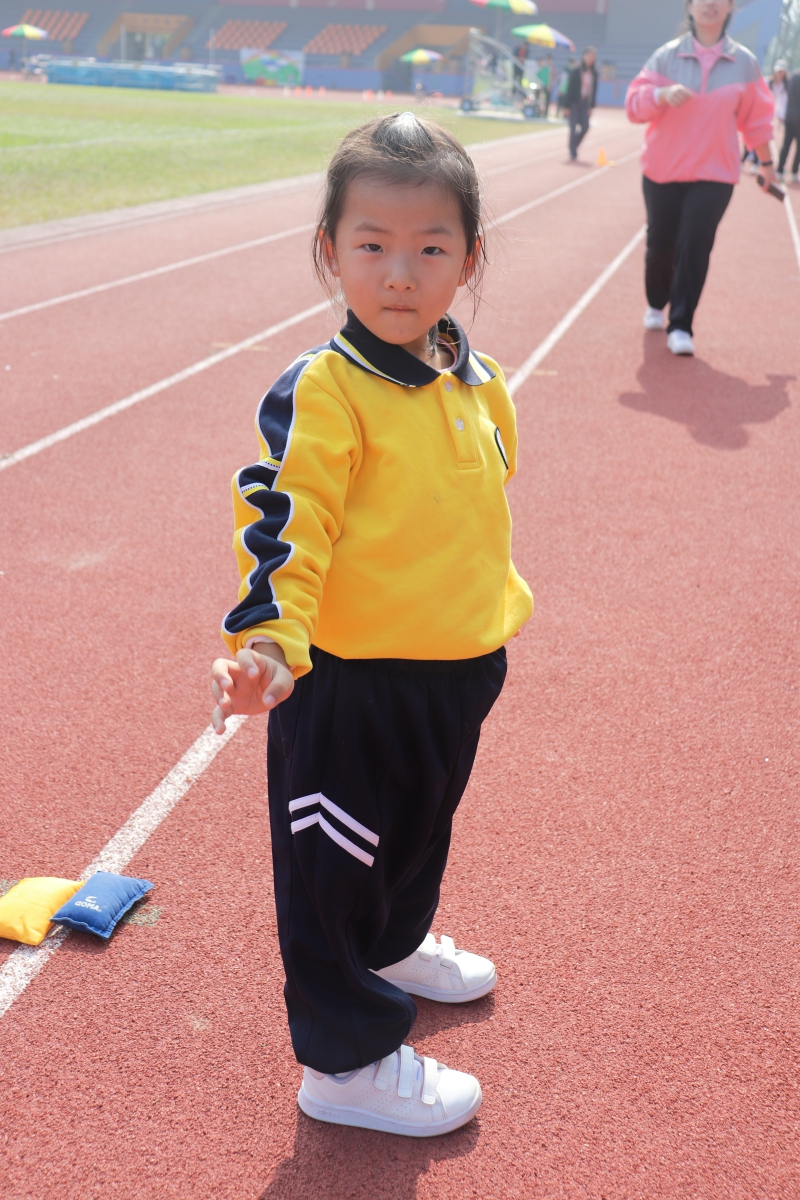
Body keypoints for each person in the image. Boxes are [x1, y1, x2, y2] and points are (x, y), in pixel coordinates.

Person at [211, 112, 533, 1138]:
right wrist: (270, 642)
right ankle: (343, 1063)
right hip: (352, 682)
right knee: (334, 869)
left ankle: (393, 947)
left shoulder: (477, 379)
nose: (400, 274)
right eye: (372, 246)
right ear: (330, 251)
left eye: (431, 248)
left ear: (468, 258)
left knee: (416, 834)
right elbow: (287, 522)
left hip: (456, 665)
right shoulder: (326, 389)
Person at [626, 0, 776, 357]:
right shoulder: (666, 57)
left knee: (695, 245)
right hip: (662, 170)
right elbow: (634, 106)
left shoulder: (744, 64)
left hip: (715, 174)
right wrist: (660, 94)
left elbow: (757, 121)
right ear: (690, 8)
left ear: (730, 8)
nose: (710, 4)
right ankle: (656, 301)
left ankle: (681, 324)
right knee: (660, 245)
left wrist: (767, 165)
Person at [564, 47, 597, 161]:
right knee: (573, 129)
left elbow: (594, 91)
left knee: (585, 126)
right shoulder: (576, 71)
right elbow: (569, 89)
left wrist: (591, 107)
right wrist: (567, 106)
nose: (591, 59)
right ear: (584, 56)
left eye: (593, 57)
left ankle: (573, 146)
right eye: (589, 56)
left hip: (585, 103)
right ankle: (572, 152)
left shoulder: (594, 73)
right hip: (574, 103)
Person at [777, 66, 800, 183]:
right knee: (798, 148)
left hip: (789, 116)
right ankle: (794, 173)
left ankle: (779, 170)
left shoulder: (793, 76)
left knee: (786, 144)